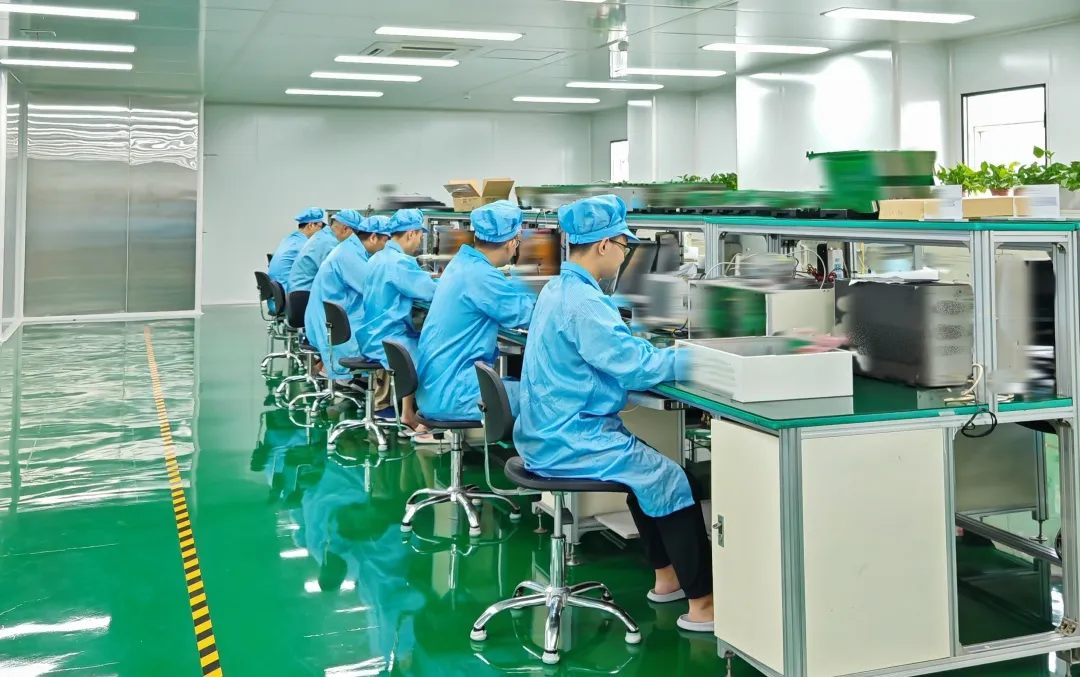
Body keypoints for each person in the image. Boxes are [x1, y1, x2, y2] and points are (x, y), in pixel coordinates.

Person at [513, 194, 713, 633]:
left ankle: (667, 579)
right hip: (571, 440)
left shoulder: (558, 289)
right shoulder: (585, 302)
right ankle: (703, 605)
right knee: (671, 479)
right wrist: (698, 359)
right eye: (623, 246)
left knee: (652, 474)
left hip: (549, 433)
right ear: (604, 245)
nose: (624, 255)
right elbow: (635, 366)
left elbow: (612, 349)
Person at [415, 200, 533, 435]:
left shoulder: (461, 263)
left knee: (514, 383)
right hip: (456, 394)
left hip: (434, 388)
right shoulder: (481, 275)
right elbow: (526, 315)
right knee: (541, 398)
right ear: (512, 243)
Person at [358, 208, 437, 432]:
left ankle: (407, 413)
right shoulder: (399, 262)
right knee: (432, 357)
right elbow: (429, 291)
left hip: (373, 334)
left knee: (417, 344)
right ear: (411, 233)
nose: (419, 242)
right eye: (420, 236)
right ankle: (429, 421)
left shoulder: (377, 257)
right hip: (390, 338)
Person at [305, 212, 393, 384]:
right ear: (373, 237)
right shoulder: (349, 255)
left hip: (330, 321)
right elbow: (374, 290)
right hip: (334, 327)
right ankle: (370, 386)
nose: (388, 247)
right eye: (387, 241)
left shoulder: (351, 249)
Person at [289, 209, 348, 292]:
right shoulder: (329, 242)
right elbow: (337, 274)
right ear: (345, 229)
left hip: (297, 290)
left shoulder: (321, 237)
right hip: (304, 293)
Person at [269, 207, 326, 291]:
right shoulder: (305, 245)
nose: (321, 230)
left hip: (277, 291)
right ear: (311, 225)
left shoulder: (289, 239)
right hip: (289, 291)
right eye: (320, 227)